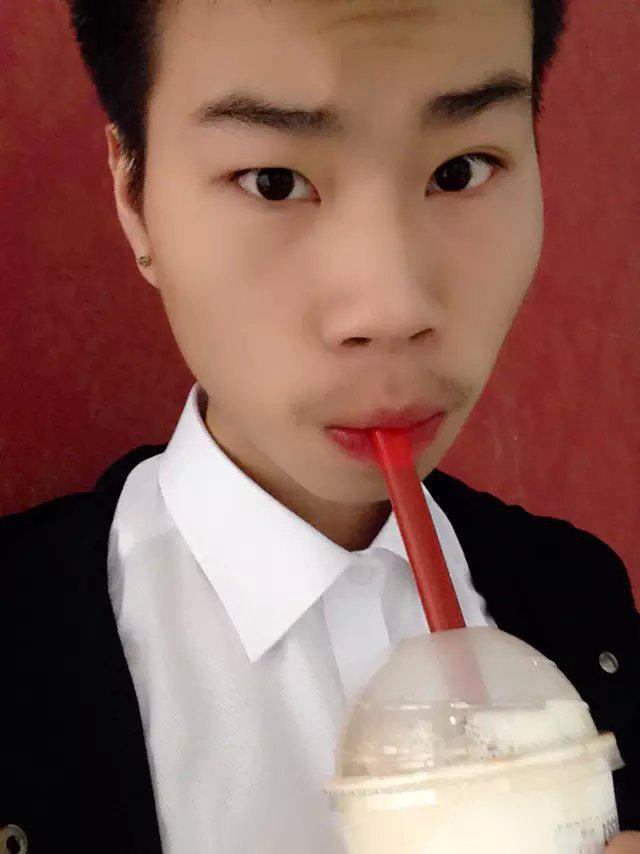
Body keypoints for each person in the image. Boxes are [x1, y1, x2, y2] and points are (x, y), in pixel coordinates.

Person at [1, 1, 638, 852]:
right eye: (273, 181)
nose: (391, 308)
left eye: (461, 171)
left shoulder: (584, 601)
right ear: (133, 195)